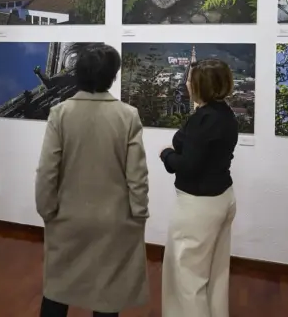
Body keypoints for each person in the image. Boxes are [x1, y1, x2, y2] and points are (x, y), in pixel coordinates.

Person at [35, 44, 149, 317]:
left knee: (57, 291)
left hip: (67, 219)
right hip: (113, 221)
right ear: (112, 76)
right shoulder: (127, 115)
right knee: (107, 296)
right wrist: (139, 215)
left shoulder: (60, 113)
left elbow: (47, 170)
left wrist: (47, 211)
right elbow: (137, 176)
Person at [159, 59, 239, 317]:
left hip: (199, 206)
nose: (186, 82)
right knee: (216, 273)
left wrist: (166, 155)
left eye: (190, 79)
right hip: (223, 198)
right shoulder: (226, 114)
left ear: (199, 86)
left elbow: (187, 165)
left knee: (187, 279)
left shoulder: (203, 120)